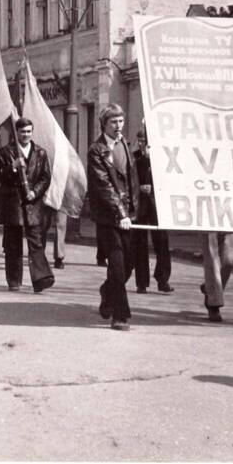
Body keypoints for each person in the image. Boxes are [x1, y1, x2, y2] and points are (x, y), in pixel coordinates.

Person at [87, 103, 138, 331]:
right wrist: (120, 213)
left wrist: (133, 211)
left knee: (129, 265)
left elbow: (131, 180)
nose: (118, 126)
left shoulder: (125, 146)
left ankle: (107, 292)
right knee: (117, 264)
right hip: (109, 216)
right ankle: (120, 314)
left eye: (120, 121)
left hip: (130, 215)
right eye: (113, 122)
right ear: (104, 125)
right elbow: (104, 186)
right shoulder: (97, 150)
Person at [0, 118, 54, 292]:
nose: (26, 135)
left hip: (33, 204)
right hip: (13, 204)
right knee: (13, 245)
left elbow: (45, 177)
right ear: (16, 133)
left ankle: (41, 279)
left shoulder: (40, 153)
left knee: (36, 242)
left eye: (28, 131)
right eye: (22, 132)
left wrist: (35, 192)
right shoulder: (5, 152)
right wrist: (12, 166)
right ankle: (14, 280)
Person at [131, 125, 173, 295]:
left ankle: (163, 279)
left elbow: (168, 180)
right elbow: (131, 179)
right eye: (140, 141)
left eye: (145, 142)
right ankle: (141, 282)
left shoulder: (162, 159)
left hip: (157, 204)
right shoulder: (135, 158)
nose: (142, 144)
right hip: (140, 205)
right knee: (140, 243)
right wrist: (140, 189)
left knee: (162, 242)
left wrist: (153, 188)